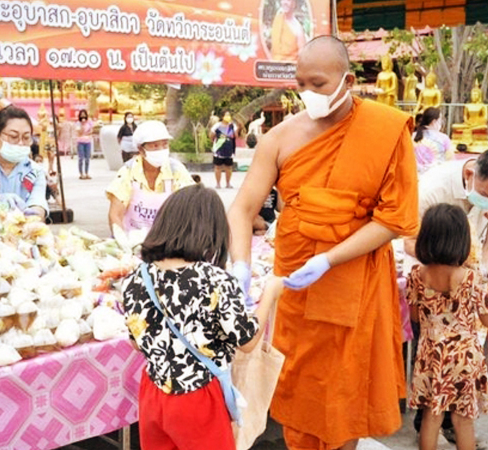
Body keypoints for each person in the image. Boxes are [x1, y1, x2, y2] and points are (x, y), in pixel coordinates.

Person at [228, 36, 419, 450]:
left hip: (355, 280)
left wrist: (331, 258)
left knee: (344, 395)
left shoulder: (385, 129)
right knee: (301, 391)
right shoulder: (279, 138)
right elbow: (242, 209)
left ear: (347, 80)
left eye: (318, 83)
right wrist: (240, 265)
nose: (307, 94)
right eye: (301, 84)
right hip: (297, 285)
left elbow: (395, 218)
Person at [122, 183, 284, 450]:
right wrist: (270, 293)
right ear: (212, 230)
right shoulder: (215, 279)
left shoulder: (136, 278)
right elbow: (247, 340)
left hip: (153, 392)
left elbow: (136, 342)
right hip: (198, 397)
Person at [408, 203, 488, 450]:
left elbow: (415, 317)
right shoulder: (470, 278)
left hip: (430, 354)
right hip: (463, 355)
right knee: (463, 419)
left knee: (431, 415)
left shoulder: (417, 275)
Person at [405, 149, 488, 277]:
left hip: (470, 271)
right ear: (468, 174)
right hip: (427, 270)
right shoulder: (431, 190)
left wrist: (482, 275)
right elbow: (410, 241)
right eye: (484, 195)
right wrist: (450, 268)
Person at [106, 120, 195, 234]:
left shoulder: (176, 170)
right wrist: (122, 242)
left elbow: (191, 208)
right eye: (155, 146)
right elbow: (115, 214)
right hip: (133, 242)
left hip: (168, 243)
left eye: (164, 144)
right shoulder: (128, 172)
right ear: (141, 149)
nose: (161, 150)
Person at [413, 107, 453, 173]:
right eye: (440, 120)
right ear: (434, 122)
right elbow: (450, 160)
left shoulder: (412, 136)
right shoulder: (443, 138)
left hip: (416, 175)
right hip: (436, 176)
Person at [211, 111, 237, 189]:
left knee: (228, 167)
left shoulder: (232, 126)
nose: (228, 117)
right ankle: (218, 183)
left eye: (229, 115)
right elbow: (211, 135)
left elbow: (236, 136)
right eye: (226, 115)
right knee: (218, 167)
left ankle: (228, 183)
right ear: (222, 116)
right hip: (219, 149)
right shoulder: (217, 126)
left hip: (229, 150)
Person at [76, 109, 94, 179]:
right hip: (80, 142)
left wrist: (87, 133)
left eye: (84, 114)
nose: (83, 116)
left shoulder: (89, 122)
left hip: (87, 141)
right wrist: (82, 125)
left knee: (87, 158)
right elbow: (79, 133)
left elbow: (91, 131)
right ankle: (81, 173)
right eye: (81, 114)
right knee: (81, 158)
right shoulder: (78, 123)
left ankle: (87, 173)